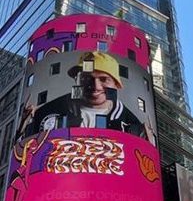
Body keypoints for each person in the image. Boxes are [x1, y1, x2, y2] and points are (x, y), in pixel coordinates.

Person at [20, 52, 153, 144]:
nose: (95, 86)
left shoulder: (133, 125)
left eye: (104, 79)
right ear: (77, 80)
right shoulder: (47, 112)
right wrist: (25, 124)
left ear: (116, 84)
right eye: (87, 78)